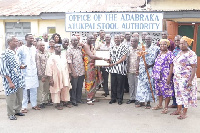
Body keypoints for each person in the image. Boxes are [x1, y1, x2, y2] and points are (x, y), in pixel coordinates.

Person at [172, 36, 197, 119]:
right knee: (178, 94)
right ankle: (179, 110)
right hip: (177, 78)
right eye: (180, 43)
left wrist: (190, 80)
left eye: (183, 43)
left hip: (185, 78)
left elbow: (194, 67)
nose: (181, 45)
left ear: (188, 44)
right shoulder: (180, 53)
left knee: (184, 95)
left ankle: (184, 112)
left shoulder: (191, 54)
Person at [0, 36, 25, 120]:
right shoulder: (4, 53)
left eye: (17, 41)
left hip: (19, 78)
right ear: (9, 42)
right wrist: (10, 82)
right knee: (11, 97)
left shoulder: (16, 52)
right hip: (10, 79)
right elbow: (3, 69)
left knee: (19, 96)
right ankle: (11, 113)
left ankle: (17, 110)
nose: (17, 42)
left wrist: (20, 67)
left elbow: (15, 64)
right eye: (15, 41)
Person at [17, 34, 40, 113]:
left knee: (34, 89)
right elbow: (17, 59)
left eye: (33, 38)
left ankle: (34, 104)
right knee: (25, 90)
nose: (32, 39)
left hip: (33, 71)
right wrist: (20, 66)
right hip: (25, 73)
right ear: (26, 39)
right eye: (30, 38)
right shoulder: (21, 49)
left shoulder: (34, 49)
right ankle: (24, 107)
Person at [135, 35, 159, 109]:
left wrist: (150, 65)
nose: (147, 40)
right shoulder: (141, 48)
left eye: (149, 39)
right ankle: (141, 101)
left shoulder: (156, 48)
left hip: (150, 69)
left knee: (149, 85)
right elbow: (138, 59)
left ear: (151, 39)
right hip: (142, 70)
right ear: (144, 40)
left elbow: (158, 60)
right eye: (146, 39)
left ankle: (148, 102)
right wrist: (137, 69)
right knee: (141, 86)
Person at [46, 44, 71, 110]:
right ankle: (57, 103)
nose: (58, 48)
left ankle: (65, 101)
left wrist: (69, 75)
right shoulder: (52, 57)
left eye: (59, 47)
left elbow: (67, 66)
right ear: (54, 49)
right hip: (56, 76)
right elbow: (49, 68)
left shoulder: (63, 56)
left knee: (65, 87)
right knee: (56, 89)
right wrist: (51, 79)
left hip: (65, 75)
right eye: (56, 47)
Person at [82, 34, 106, 105]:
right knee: (90, 82)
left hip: (94, 66)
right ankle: (89, 98)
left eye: (93, 39)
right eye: (90, 39)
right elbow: (92, 56)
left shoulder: (91, 45)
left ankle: (92, 97)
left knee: (94, 81)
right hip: (89, 66)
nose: (92, 40)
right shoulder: (86, 45)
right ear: (87, 39)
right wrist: (103, 58)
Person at [152, 39, 174, 114]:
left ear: (167, 45)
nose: (162, 46)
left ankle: (166, 107)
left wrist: (169, 77)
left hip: (165, 76)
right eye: (161, 44)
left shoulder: (170, 54)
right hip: (158, 76)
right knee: (159, 91)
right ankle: (160, 105)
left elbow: (172, 66)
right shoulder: (160, 53)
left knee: (167, 91)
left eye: (164, 44)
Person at [108, 34, 128, 105]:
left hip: (120, 68)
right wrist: (109, 60)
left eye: (118, 38)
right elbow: (109, 56)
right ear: (114, 39)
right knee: (113, 84)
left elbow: (123, 58)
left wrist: (115, 63)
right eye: (115, 38)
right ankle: (113, 98)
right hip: (113, 68)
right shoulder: (112, 47)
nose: (116, 39)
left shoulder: (124, 47)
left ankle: (120, 99)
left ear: (120, 39)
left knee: (120, 84)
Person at [67, 36, 85, 106]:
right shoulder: (69, 50)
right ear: (71, 42)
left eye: (76, 40)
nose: (75, 42)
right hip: (75, 71)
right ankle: (73, 100)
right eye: (73, 41)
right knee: (74, 87)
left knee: (80, 86)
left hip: (81, 71)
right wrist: (73, 72)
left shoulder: (79, 48)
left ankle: (78, 99)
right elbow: (69, 62)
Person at [168, 35, 182, 108]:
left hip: (181, 74)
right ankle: (174, 103)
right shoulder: (174, 50)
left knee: (181, 89)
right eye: (175, 40)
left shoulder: (184, 50)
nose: (176, 42)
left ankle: (181, 106)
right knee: (173, 88)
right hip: (174, 73)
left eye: (178, 40)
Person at [35, 41, 49, 108]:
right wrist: (41, 76)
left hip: (47, 74)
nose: (43, 47)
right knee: (40, 89)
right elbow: (38, 66)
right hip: (41, 75)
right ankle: (39, 102)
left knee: (46, 89)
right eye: (41, 45)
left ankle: (45, 101)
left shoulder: (46, 52)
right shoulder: (37, 54)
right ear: (38, 46)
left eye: (44, 45)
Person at [126, 37, 140, 104]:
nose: (132, 43)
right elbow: (127, 60)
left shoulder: (140, 50)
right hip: (130, 70)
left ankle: (137, 99)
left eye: (133, 41)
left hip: (137, 71)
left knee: (137, 85)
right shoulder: (129, 49)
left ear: (137, 42)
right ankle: (132, 98)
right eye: (131, 41)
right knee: (131, 85)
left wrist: (139, 69)